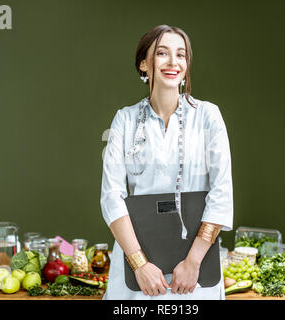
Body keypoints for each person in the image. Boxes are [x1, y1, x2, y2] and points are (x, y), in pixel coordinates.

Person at [100, 25, 234, 299]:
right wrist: (139, 265)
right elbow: (111, 196)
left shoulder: (208, 116)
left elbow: (221, 194)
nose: (174, 62)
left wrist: (193, 262)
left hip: (195, 271)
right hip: (138, 271)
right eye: (162, 53)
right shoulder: (124, 120)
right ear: (143, 64)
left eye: (181, 55)